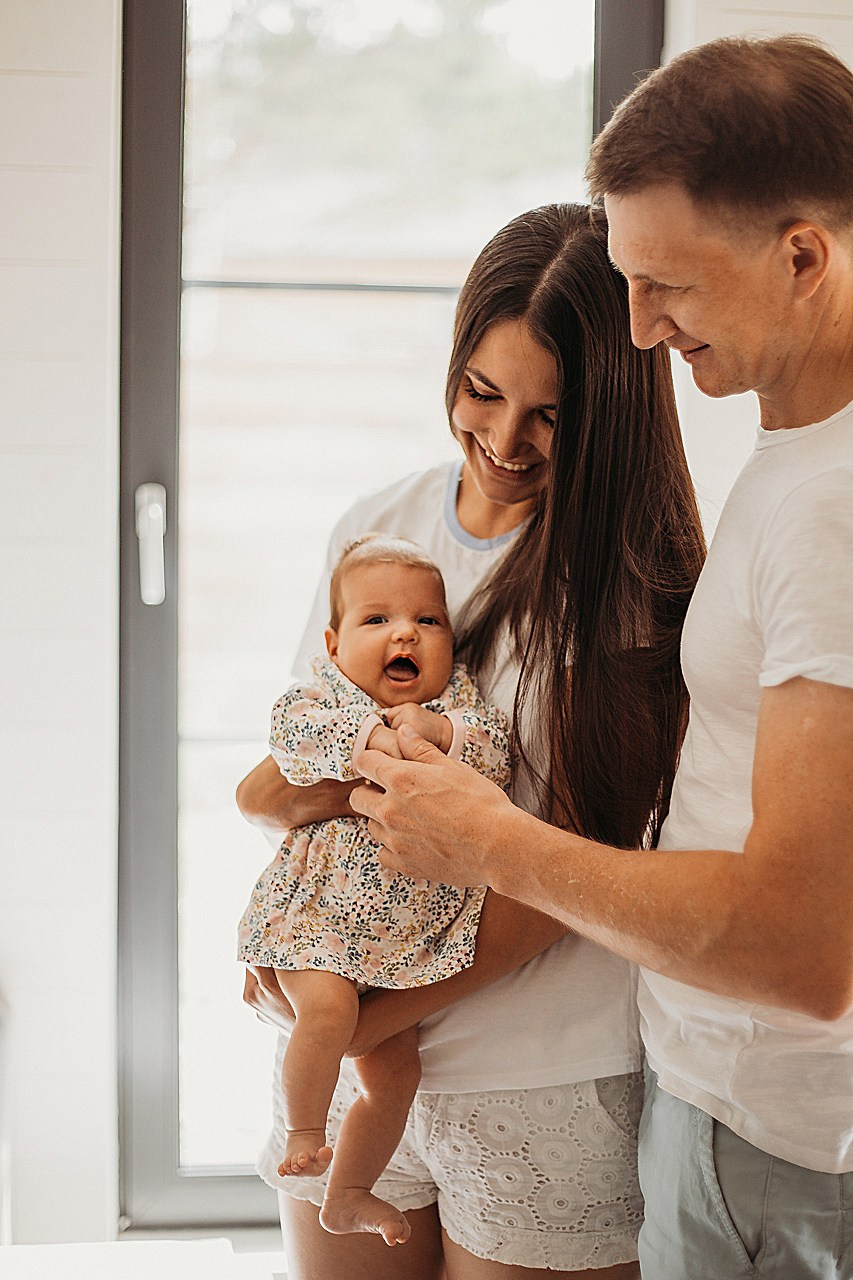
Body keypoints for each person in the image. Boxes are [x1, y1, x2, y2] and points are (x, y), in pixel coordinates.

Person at [350, 36, 853, 1280]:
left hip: (752, 1124)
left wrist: (485, 838)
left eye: (664, 281)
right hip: (720, 1102)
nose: (636, 327)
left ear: (802, 255)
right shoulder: (793, 469)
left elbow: (801, 945)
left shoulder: (831, 505)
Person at [238, 201, 705, 1280]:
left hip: (532, 1081)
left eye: (550, 414)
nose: (503, 442)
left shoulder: (634, 583)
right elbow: (288, 775)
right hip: (346, 1059)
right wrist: (301, 965)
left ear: (613, 410)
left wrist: (366, 1017)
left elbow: (566, 881)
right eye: (481, 393)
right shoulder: (384, 524)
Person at [237, 533, 511, 1246]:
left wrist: (441, 731)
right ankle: (303, 1133)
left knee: (395, 1073)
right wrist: (367, 735)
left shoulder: (457, 701)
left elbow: (496, 753)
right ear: (332, 645)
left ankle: (348, 1192)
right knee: (325, 1014)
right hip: (316, 924)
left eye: (427, 621)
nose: (404, 633)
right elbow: (291, 740)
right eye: (376, 620)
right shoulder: (321, 697)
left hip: (401, 942)